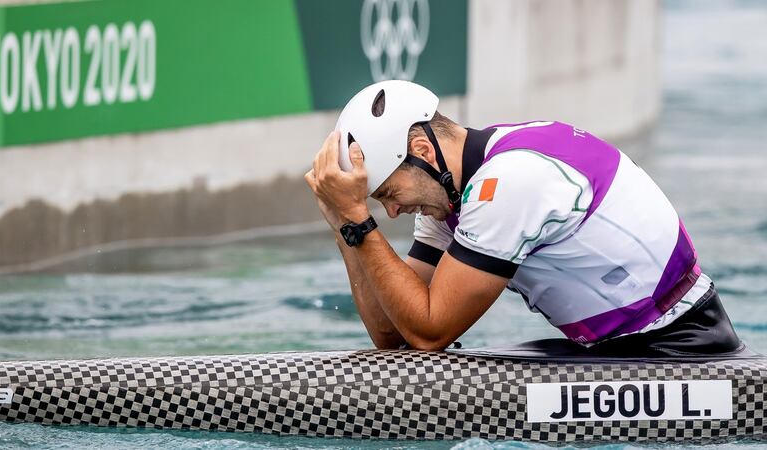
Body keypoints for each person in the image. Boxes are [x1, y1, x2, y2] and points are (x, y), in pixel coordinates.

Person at [304, 80, 742, 356]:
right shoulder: (455, 191)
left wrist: (359, 221)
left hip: (683, 346)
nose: (393, 212)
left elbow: (429, 333)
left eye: (388, 194)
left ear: (420, 153)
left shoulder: (511, 180)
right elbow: (393, 333)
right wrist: (347, 228)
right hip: (620, 350)